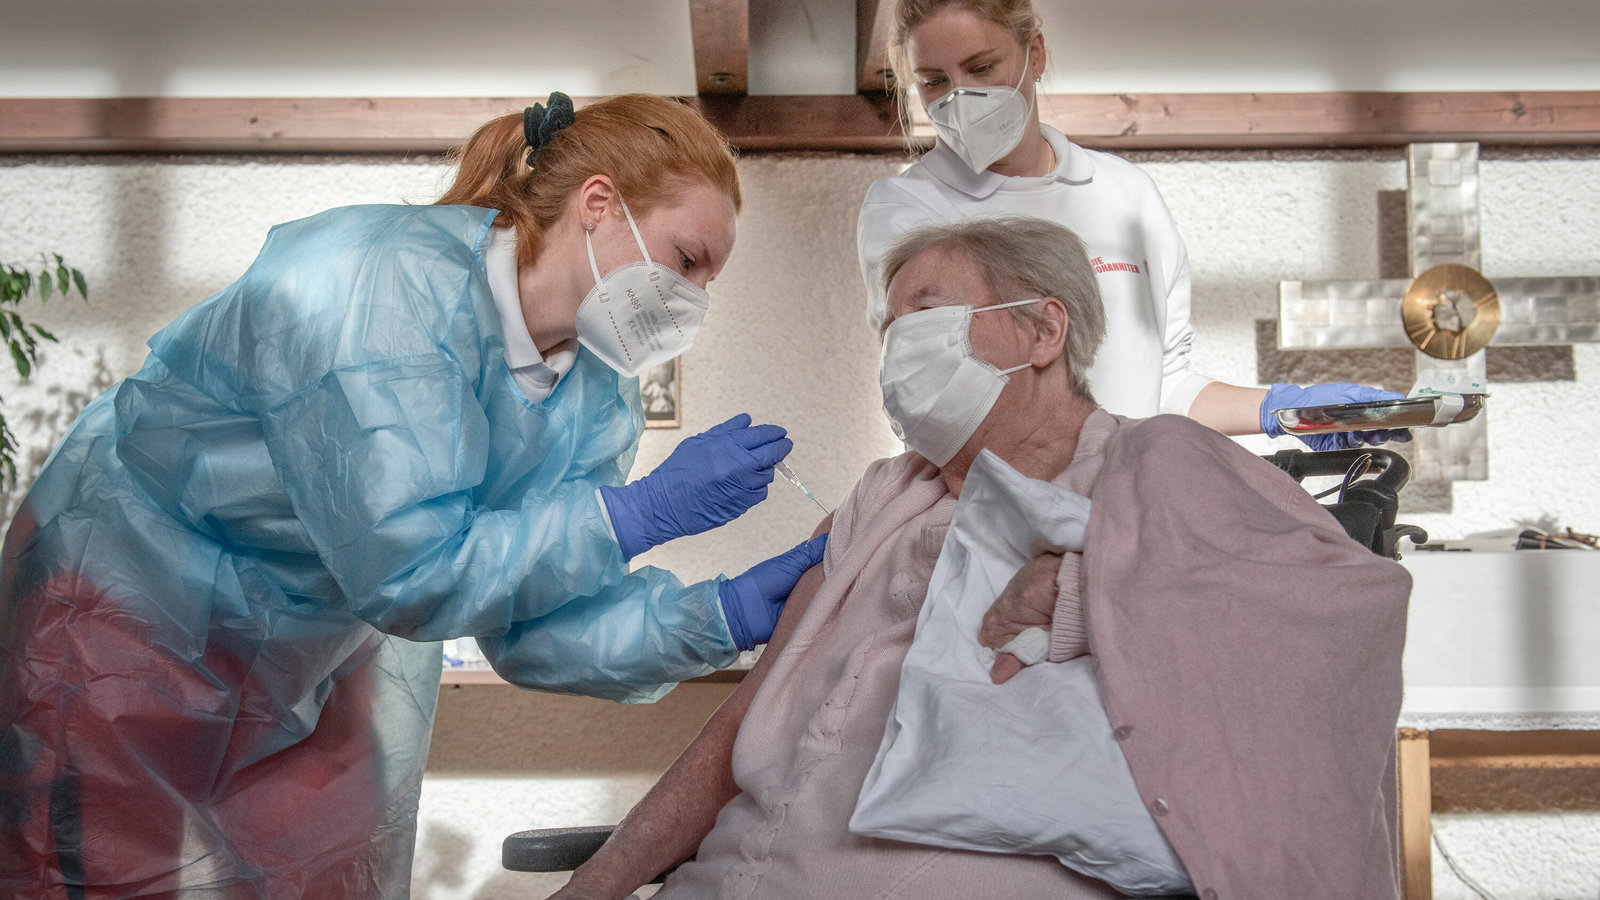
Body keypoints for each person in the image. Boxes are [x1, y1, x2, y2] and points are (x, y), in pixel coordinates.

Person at [0, 93, 825, 897]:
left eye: (709, 281)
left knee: (323, 868)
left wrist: (722, 616)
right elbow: (414, 573)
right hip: (129, 598)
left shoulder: (593, 397)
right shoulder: (380, 288)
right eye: (687, 262)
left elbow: (534, 630)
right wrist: (637, 513)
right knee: (98, 868)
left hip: (313, 636)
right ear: (599, 205)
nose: (695, 302)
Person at [550, 217, 1410, 899]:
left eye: (924, 312)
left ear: (1042, 329)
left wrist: (1084, 589)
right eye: (890, 327)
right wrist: (598, 884)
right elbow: (743, 722)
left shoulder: (1156, 461)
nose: (897, 347)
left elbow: (1342, 612)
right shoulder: (886, 493)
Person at [857, 0, 1409, 451]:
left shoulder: (1126, 194)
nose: (960, 97)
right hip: (987, 516)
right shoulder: (909, 209)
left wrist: (1284, 409)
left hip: (1126, 506)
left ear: (1035, 53)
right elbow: (937, 404)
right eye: (934, 82)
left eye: (981, 69)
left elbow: (1162, 386)